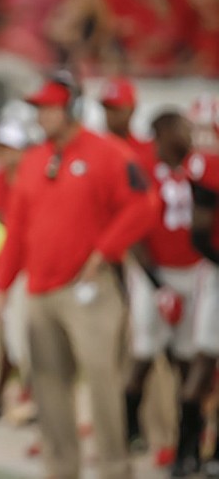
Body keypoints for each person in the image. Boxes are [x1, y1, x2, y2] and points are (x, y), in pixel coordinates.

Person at [0, 71, 157, 479]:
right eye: (40, 108)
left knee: (102, 384)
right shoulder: (33, 160)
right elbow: (18, 228)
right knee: (48, 389)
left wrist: (104, 252)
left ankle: (115, 469)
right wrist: (2, 283)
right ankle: (60, 469)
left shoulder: (109, 153)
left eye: (50, 107)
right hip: (41, 291)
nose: (43, 115)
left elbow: (143, 205)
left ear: (73, 108)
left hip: (90, 289)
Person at [122, 111, 216, 477]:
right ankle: (131, 433)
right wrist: (158, 286)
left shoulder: (200, 166)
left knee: (189, 358)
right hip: (155, 272)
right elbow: (135, 231)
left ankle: (184, 441)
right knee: (144, 351)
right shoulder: (145, 167)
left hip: (197, 271)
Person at [101, 76, 178, 466]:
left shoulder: (148, 150)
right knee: (112, 354)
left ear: (133, 108)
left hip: (144, 258)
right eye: (107, 107)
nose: (111, 114)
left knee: (153, 352)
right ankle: (115, 433)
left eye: (118, 107)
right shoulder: (96, 148)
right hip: (106, 262)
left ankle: (162, 432)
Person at [182, 147, 219, 478]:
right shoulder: (210, 164)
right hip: (216, 271)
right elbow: (199, 232)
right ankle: (186, 452)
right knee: (204, 359)